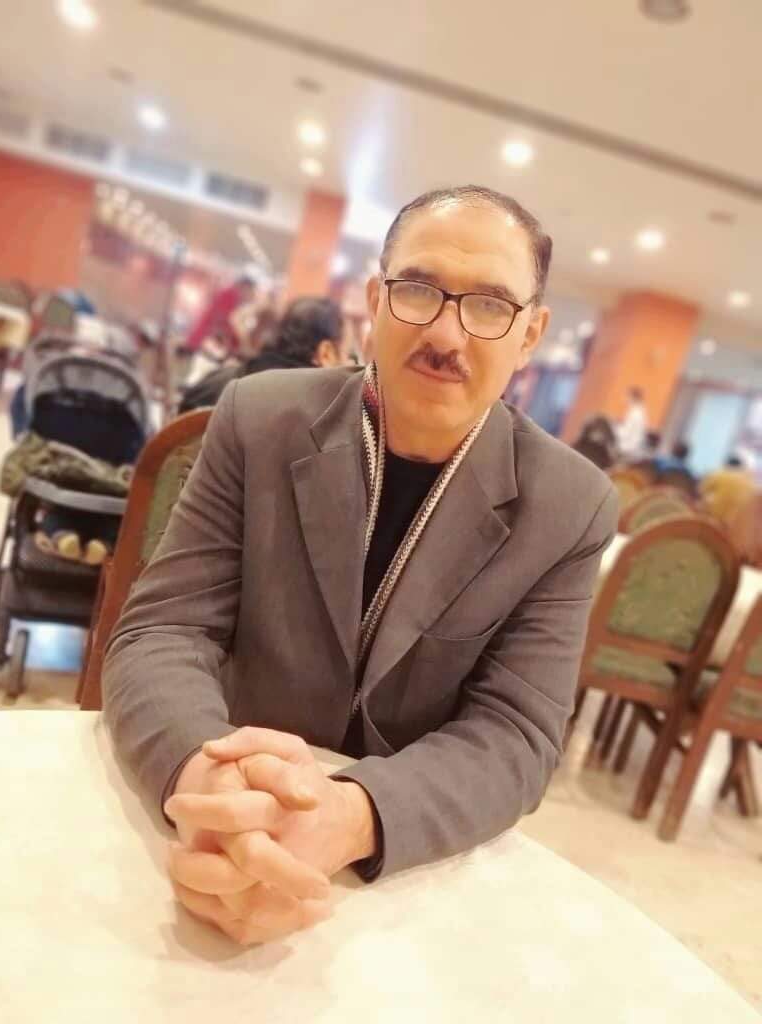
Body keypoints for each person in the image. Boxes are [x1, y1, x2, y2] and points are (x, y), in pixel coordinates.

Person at [103, 185, 618, 947]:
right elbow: (164, 630)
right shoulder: (260, 420)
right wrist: (207, 781)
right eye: (418, 290)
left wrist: (347, 815)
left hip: (393, 868)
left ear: (530, 335)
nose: (446, 333)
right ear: (376, 301)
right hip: (221, 793)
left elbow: (517, 734)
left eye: (489, 306)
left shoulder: (570, 505)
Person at [177, 297, 348, 414]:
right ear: (326, 353)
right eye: (346, 355)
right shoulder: (320, 421)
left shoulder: (212, 384)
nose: (347, 363)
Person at [700, 455, 757, 532]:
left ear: (726, 465)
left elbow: (700, 491)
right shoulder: (751, 483)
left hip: (711, 521)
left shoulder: (719, 474)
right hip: (735, 528)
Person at [617, 386, 648, 458]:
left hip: (629, 446)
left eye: (627, 397)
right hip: (632, 444)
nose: (626, 399)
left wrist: (613, 430)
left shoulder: (635, 413)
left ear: (633, 398)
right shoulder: (639, 411)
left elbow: (626, 433)